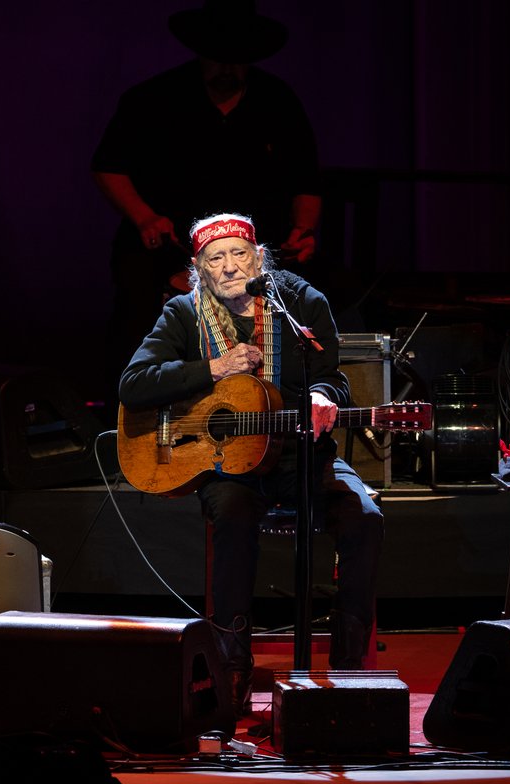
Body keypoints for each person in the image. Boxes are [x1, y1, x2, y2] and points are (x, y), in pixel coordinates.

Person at [118, 212, 383, 718]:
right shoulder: (183, 313)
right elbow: (134, 384)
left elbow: (335, 378)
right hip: (228, 466)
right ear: (200, 270)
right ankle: (231, 672)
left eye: (240, 253)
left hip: (301, 454)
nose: (230, 265)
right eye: (216, 259)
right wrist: (214, 368)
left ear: (259, 257)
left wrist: (324, 395)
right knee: (234, 516)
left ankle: (349, 673)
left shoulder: (301, 303)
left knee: (364, 518)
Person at [93, 0, 321, 423]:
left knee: (290, 311)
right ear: (200, 53)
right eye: (219, 58)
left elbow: (307, 180)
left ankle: (267, 424)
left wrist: (303, 230)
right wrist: (144, 216)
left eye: (238, 59)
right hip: (164, 246)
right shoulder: (153, 98)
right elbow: (108, 167)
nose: (227, 69)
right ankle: (129, 429)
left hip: (251, 255)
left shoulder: (277, 101)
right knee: (137, 319)